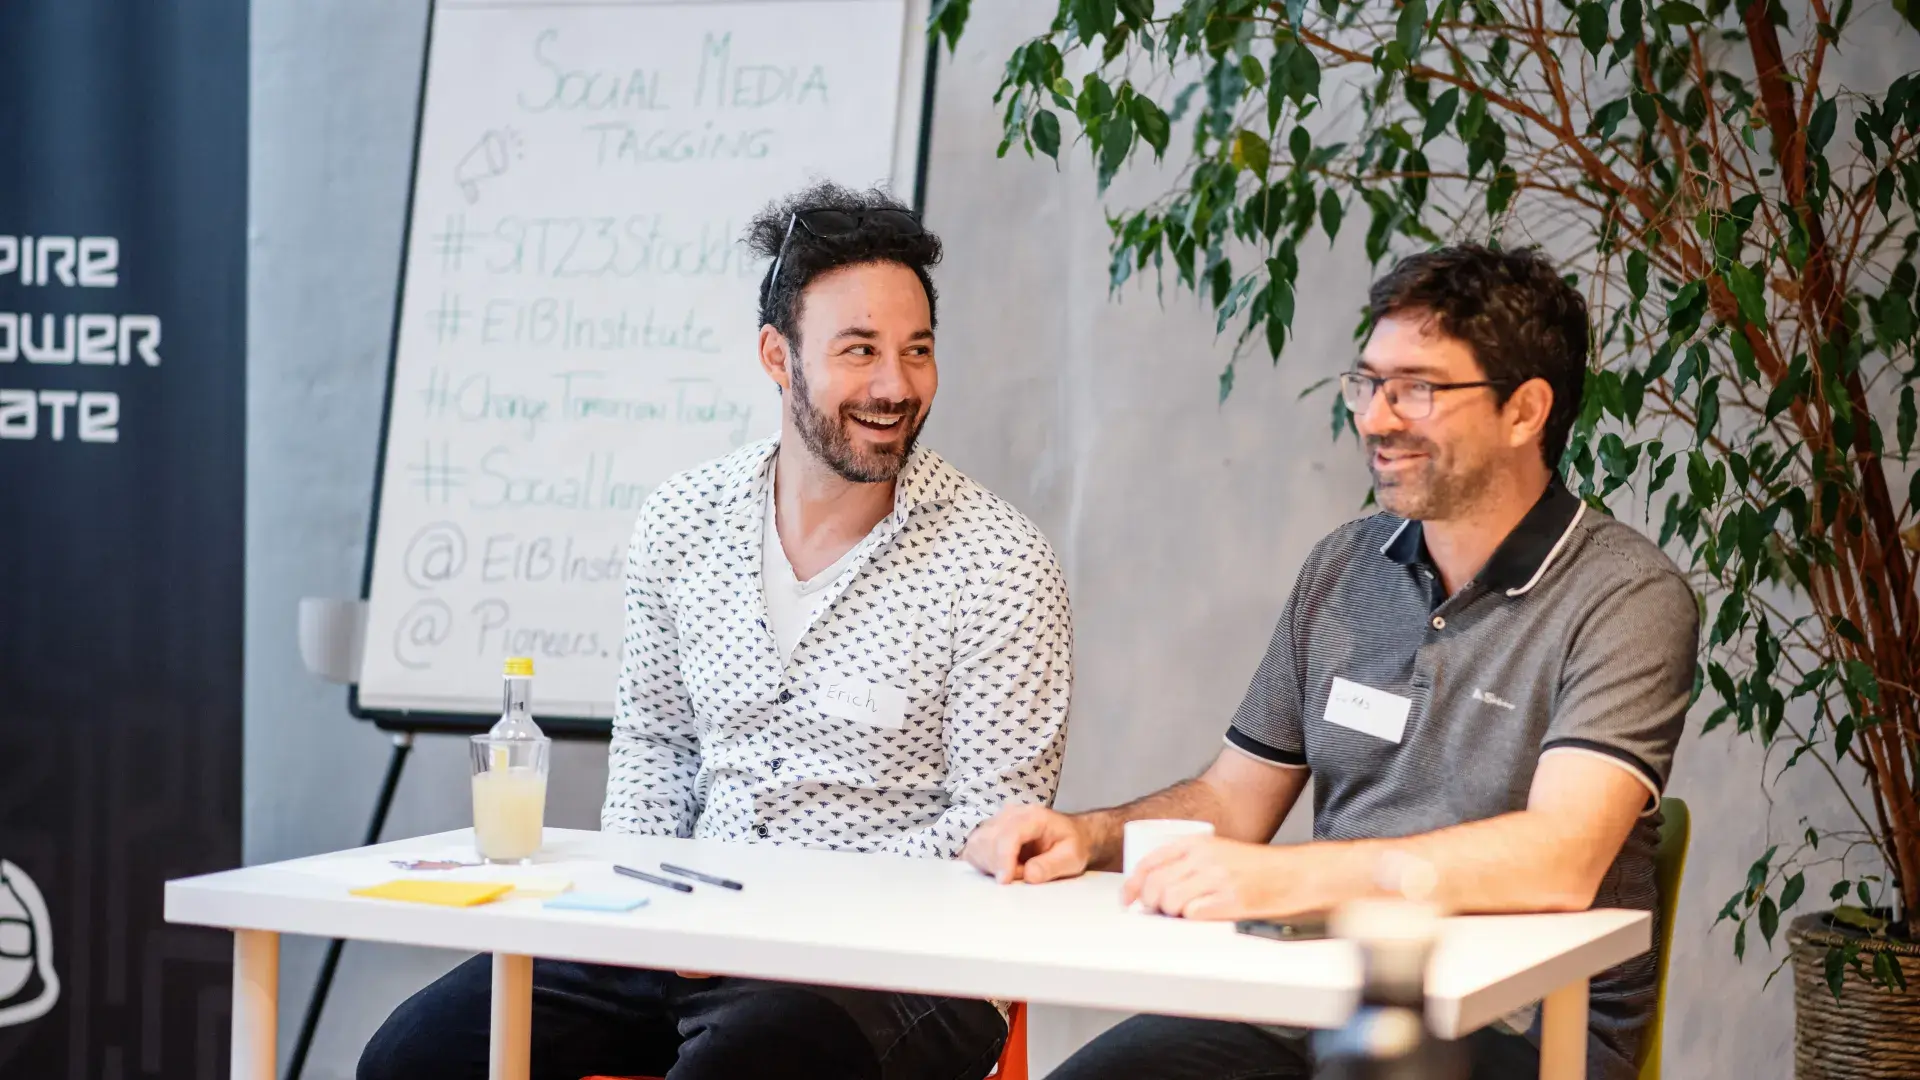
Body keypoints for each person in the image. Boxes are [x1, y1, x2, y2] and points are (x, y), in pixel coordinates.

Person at [359, 182, 1074, 1080]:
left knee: (748, 1061)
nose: (896, 386)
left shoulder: (998, 560)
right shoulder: (683, 520)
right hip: (688, 931)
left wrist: (762, 916)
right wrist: (647, 911)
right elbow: (655, 750)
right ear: (779, 358)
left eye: (917, 351)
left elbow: (993, 827)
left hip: (897, 960)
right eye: (860, 351)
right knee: (416, 1055)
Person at [964, 244, 1697, 1080]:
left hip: (1520, 1030)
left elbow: (1558, 859)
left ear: (1526, 410)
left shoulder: (1626, 595)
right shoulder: (1346, 566)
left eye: (1417, 388)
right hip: (1311, 996)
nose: (1377, 417)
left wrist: (1281, 881)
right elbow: (1232, 801)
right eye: (1369, 384)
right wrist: (1088, 836)